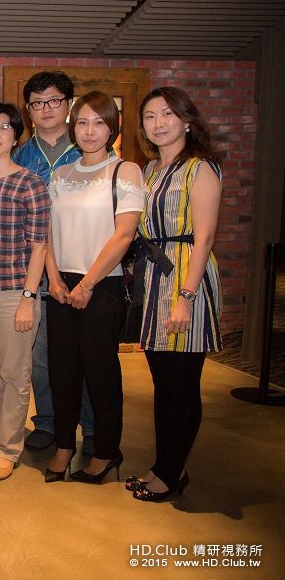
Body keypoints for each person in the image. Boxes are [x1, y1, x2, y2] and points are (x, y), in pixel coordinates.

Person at [43, 91, 144, 484]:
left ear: (112, 128)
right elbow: (47, 232)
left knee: (101, 374)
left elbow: (124, 235)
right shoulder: (61, 175)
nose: (89, 131)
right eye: (82, 122)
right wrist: (53, 277)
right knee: (62, 372)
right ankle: (64, 446)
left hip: (102, 284)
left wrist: (86, 284)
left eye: (99, 123)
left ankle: (106, 451)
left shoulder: (125, 171)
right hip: (60, 285)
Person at [128, 87, 223, 502]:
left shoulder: (200, 169)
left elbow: (204, 238)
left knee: (182, 383)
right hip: (154, 277)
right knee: (163, 382)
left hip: (186, 277)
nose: (158, 123)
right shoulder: (150, 169)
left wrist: (186, 296)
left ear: (186, 120)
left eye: (167, 114)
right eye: (150, 116)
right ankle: (164, 464)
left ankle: (172, 472)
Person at [13, 71, 95, 454]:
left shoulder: (87, 149)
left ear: (68, 105)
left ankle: (91, 426)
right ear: (28, 110)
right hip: (33, 266)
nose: (46, 108)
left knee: (86, 350)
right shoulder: (19, 155)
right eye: (37, 103)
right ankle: (47, 421)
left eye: (54, 100)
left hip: (82, 262)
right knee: (40, 353)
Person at [0, 103, 51, 481]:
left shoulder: (30, 184)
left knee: (15, 374)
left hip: (17, 292)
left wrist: (28, 299)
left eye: (3, 127)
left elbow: (39, 247)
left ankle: (9, 449)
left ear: (16, 136)